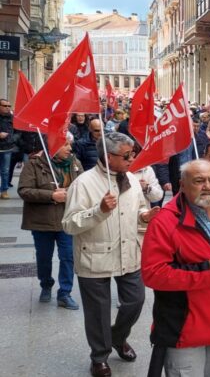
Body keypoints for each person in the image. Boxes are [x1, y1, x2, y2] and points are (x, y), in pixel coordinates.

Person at [62, 132, 159, 377]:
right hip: (93, 257)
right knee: (98, 313)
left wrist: (145, 216)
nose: (132, 159)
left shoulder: (132, 179)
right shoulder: (83, 183)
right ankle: (99, 357)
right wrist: (99, 210)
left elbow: (139, 208)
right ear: (108, 156)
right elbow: (69, 224)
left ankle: (117, 336)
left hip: (129, 252)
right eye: (126, 155)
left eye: (133, 153)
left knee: (136, 301)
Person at [141, 160, 210, 377]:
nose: (207, 186)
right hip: (186, 333)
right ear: (182, 185)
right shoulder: (165, 222)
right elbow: (153, 274)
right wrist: (205, 272)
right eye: (199, 181)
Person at [19, 133, 83, 309]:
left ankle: (65, 293)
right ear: (53, 146)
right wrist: (51, 195)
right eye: (65, 144)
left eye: (70, 144)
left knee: (68, 257)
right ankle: (46, 284)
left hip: (67, 220)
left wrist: (72, 193)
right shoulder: (34, 163)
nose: (70, 148)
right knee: (44, 257)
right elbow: (24, 190)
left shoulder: (75, 163)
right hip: (42, 221)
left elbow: (83, 186)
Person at [0, 98, 14, 199]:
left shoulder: (13, 118)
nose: (7, 108)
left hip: (7, 148)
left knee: (5, 171)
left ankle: (4, 190)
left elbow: (17, 131)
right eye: (5, 106)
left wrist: (12, 140)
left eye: (9, 106)